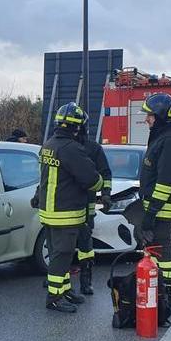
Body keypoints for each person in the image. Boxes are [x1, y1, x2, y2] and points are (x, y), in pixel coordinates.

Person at [34, 102, 103, 313]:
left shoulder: (48, 145)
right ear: (77, 126)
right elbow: (92, 180)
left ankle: (64, 290)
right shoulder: (71, 149)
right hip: (65, 213)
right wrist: (100, 183)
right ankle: (54, 297)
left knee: (58, 254)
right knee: (63, 255)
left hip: (49, 212)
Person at [135, 93, 171, 294]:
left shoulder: (169, 142)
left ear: (161, 116)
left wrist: (151, 213)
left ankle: (166, 291)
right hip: (156, 207)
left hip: (161, 210)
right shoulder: (161, 138)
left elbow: (165, 182)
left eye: (150, 115)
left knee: (162, 249)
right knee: (154, 250)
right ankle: (157, 290)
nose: (146, 119)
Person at [75, 125, 112, 296]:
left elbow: (105, 173)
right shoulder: (63, 147)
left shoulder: (93, 148)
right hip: (65, 207)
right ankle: (60, 284)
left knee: (85, 246)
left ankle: (86, 281)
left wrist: (106, 194)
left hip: (85, 207)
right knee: (62, 247)